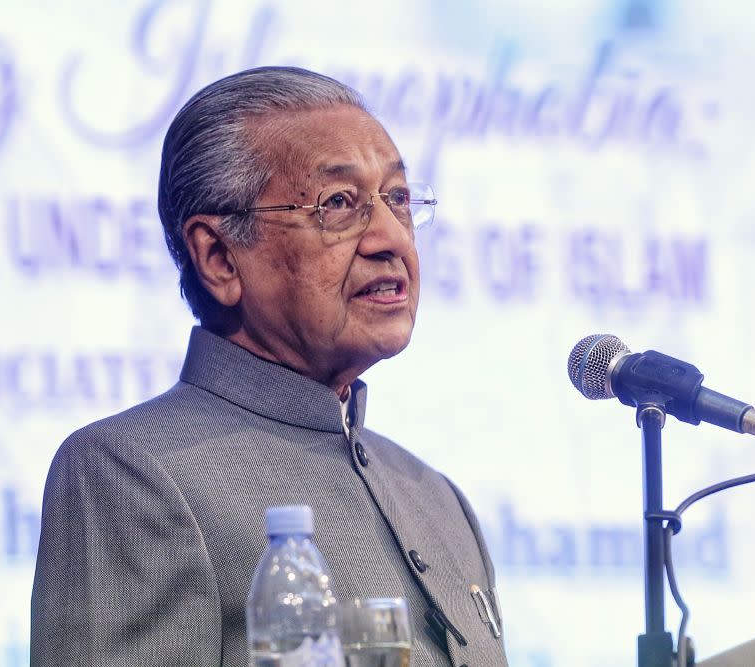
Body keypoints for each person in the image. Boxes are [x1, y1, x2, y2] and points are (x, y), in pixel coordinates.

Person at [30, 67, 508, 667]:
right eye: (339, 203)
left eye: (399, 199)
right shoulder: (129, 471)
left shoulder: (435, 498)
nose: (391, 237)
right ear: (220, 257)